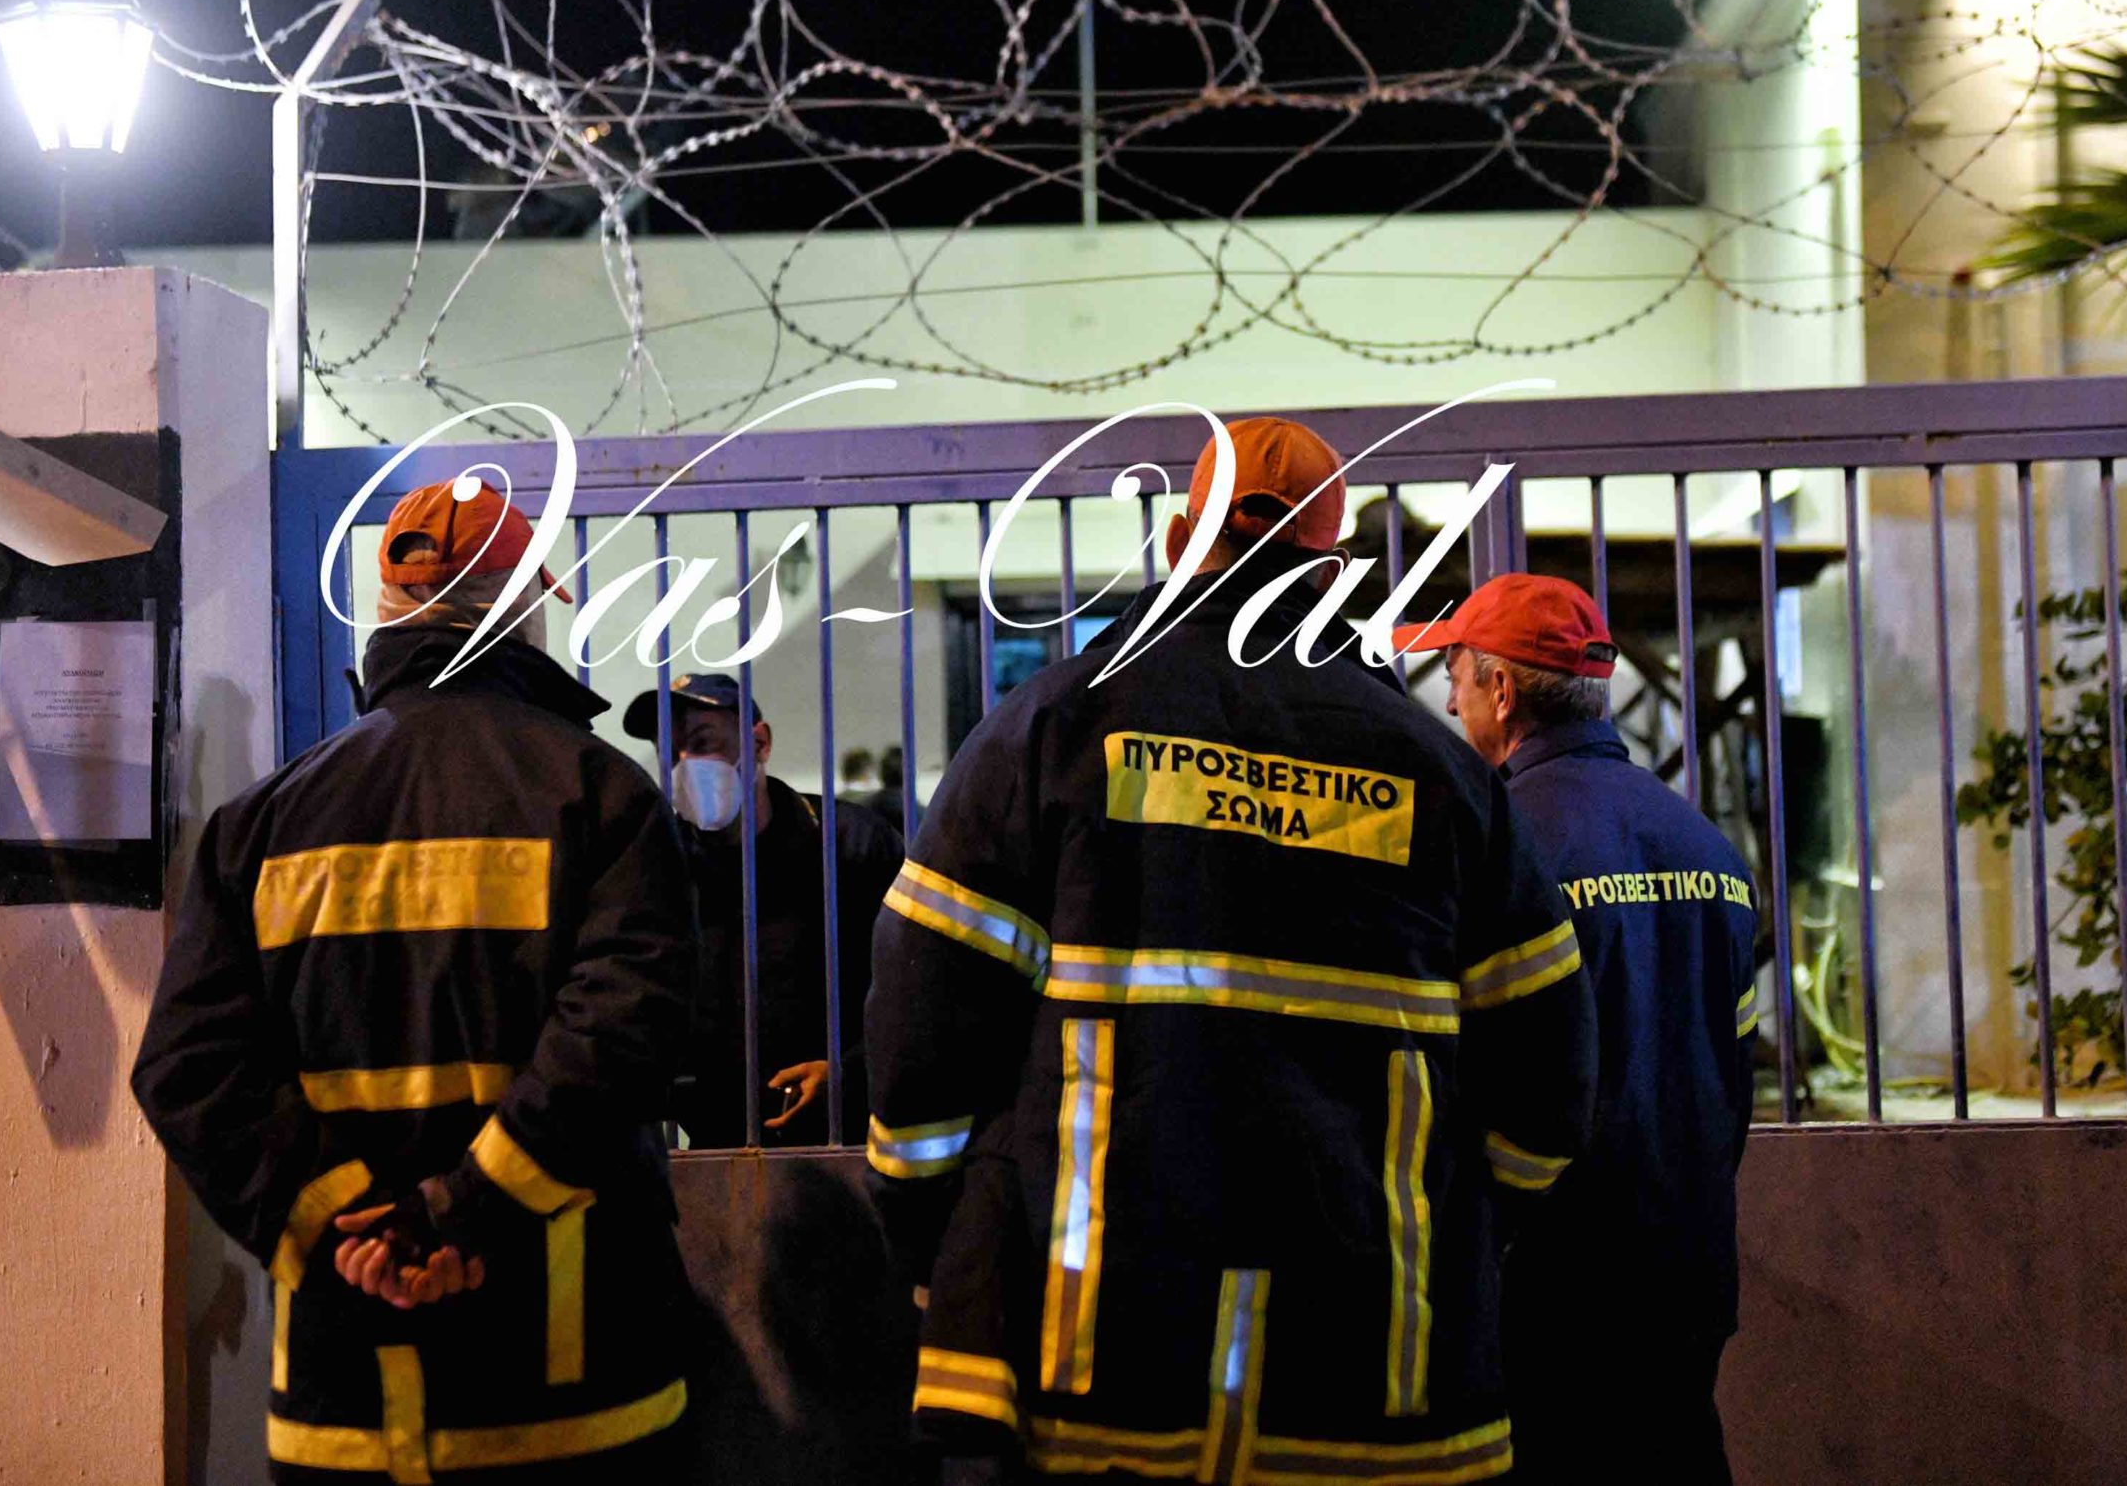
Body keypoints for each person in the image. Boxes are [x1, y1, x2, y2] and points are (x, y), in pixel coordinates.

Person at [863, 417, 1596, 1483]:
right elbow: (1549, 1079)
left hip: (1103, 1354)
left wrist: (934, 1225)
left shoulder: (1054, 728)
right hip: (1372, 1367)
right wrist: (1458, 1229)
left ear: (1177, 541)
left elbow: (924, 1010)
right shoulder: (1441, 775)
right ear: (1332, 571)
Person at [133, 478, 701, 1483]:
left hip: (344, 1404)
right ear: (523, 614)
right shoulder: (602, 796)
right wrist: (460, 1211)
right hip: (576, 1396)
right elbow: (623, 1034)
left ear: (388, 616)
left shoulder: (260, 825)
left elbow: (189, 1066)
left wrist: (338, 1221)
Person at [1395, 572, 1759, 1486]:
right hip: (1686, 1270)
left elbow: (1486, 1073)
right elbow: (1734, 1075)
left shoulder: (1501, 845)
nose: (1450, 701)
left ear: (1502, 689)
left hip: (1551, 1285)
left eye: (1457, 675)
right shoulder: (1706, 845)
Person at [628, 672, 903, 1147]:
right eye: (669, 752)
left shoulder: (847, 843)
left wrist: (850, 1070)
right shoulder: (658, 862)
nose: (684, 764)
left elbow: (908, 982)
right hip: (716, 1137)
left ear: (759, 743)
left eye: (702, 742)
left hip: (848, 1132)